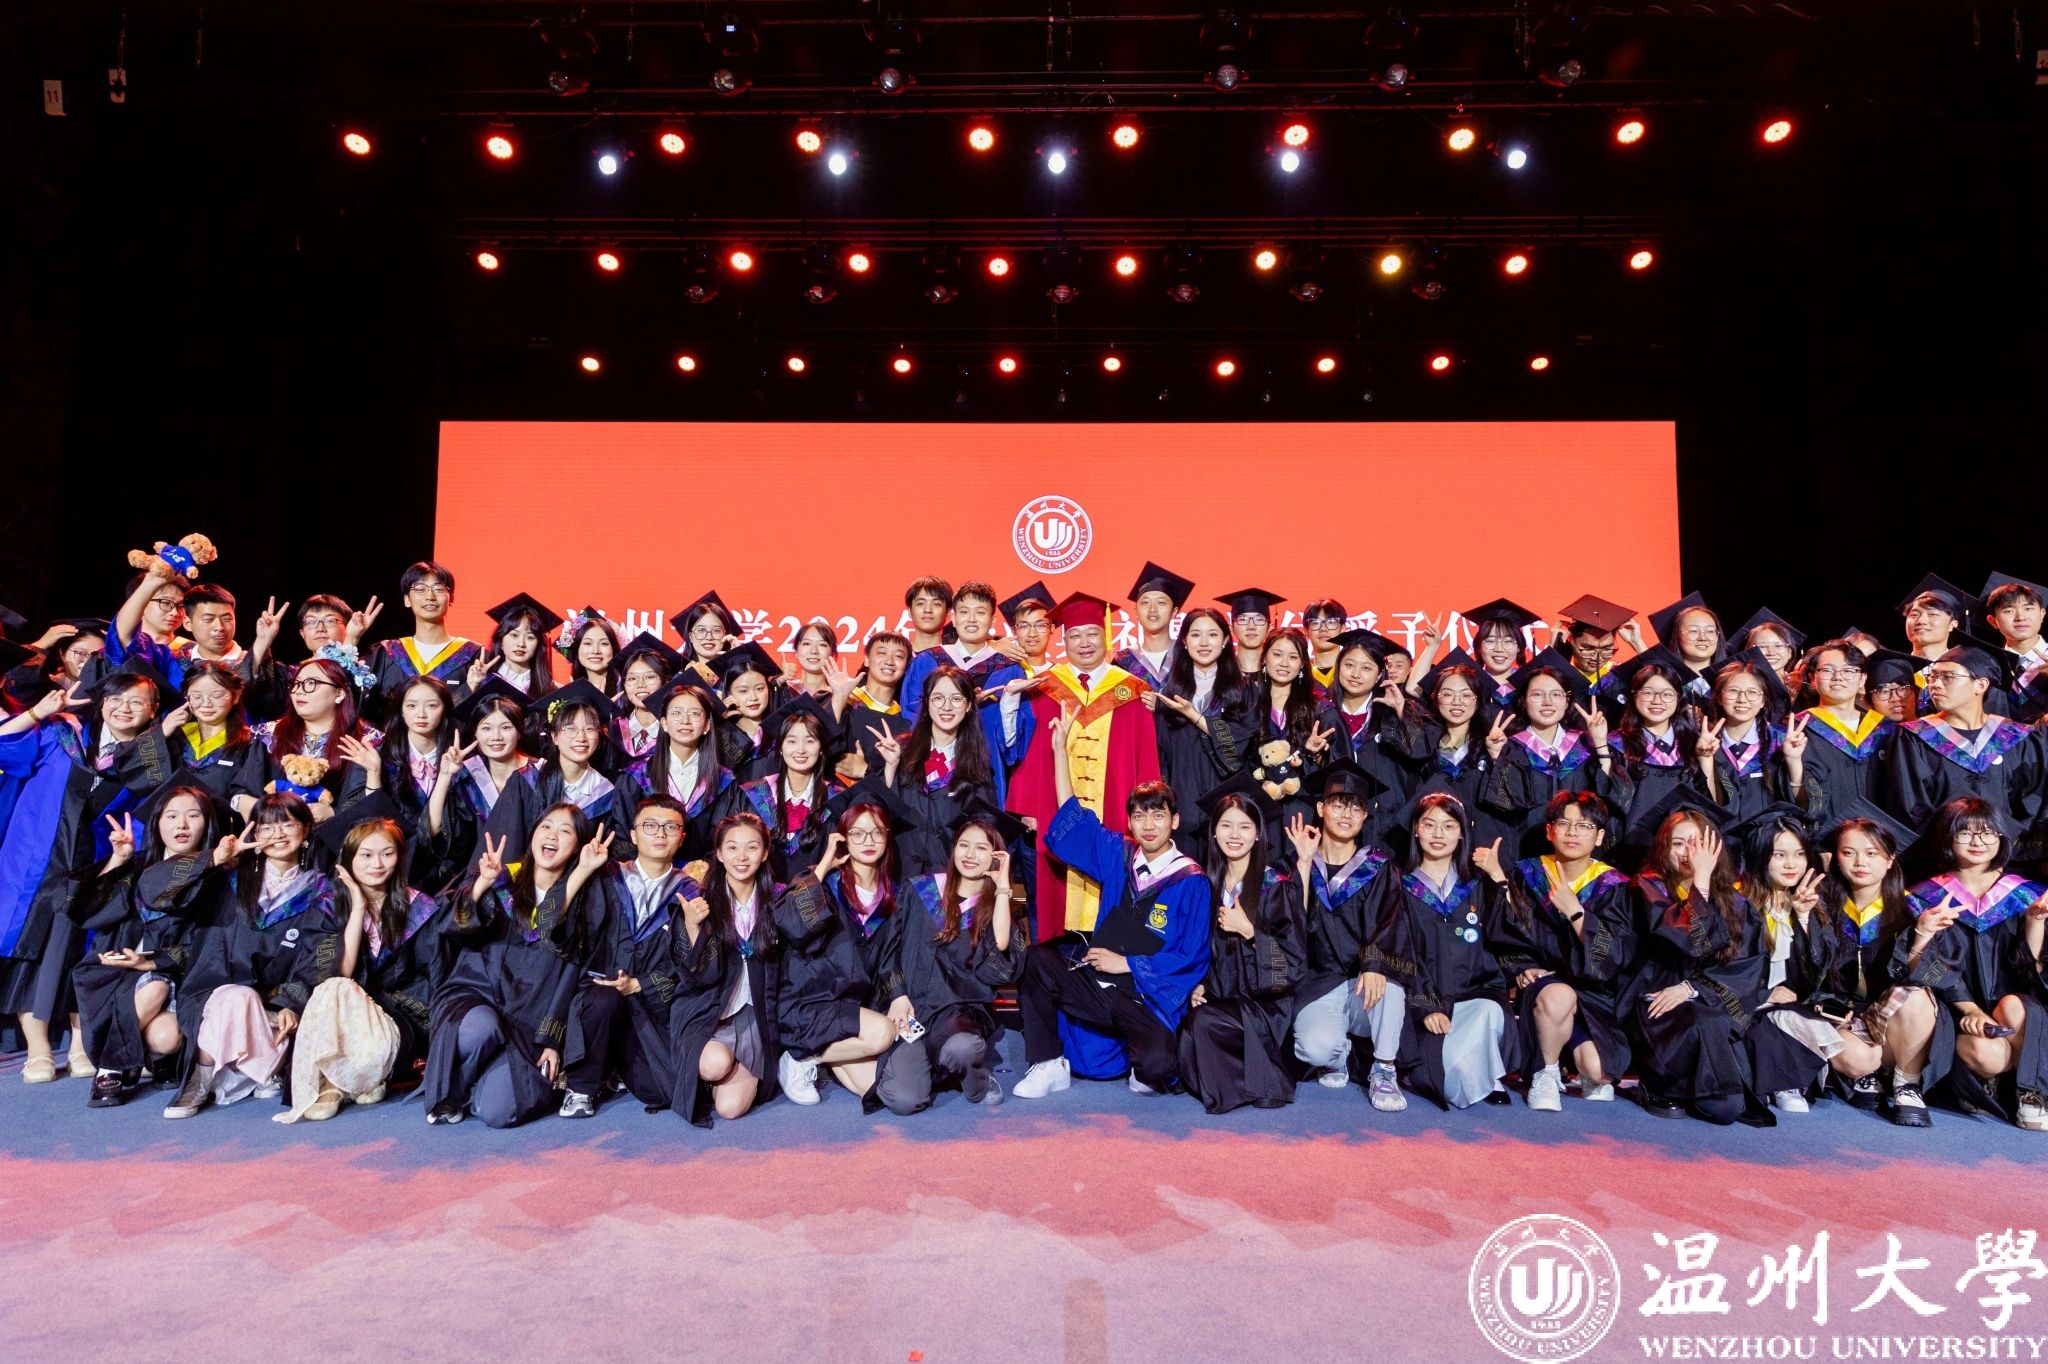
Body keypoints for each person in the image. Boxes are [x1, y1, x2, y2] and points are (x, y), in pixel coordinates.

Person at [1012, 709, 1210, 1098]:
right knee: (1037, 961)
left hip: (1145, 998)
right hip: (1099, 984)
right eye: (1139, 816)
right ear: (1130, 822)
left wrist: (1129, 964)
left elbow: (1192, 956)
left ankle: (1139, 1059)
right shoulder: (1119, 854)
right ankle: (1048, 1062)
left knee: (1158, 1067)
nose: (1148, 825)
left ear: (1175, 820)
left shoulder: (1192, 881)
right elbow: (1076, 821)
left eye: (1158, 815)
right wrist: (1060, 753)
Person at [422, 806, 608, 1127]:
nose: (552, 835)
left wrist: (553, 1039)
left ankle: (477, 1079)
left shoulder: (586, 899)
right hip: (477, 996)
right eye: (546, 826)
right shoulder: (501, 878)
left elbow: (574, 974)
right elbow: (450, 929)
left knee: (499, 1112)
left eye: (565, 831)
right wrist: (482, 884)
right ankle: (452, 1091)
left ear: (578, 845)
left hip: (529, 1022)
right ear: (533, 833)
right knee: (479, 1028)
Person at [160, 793, 330, 1118]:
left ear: (306, 829)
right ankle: (200, 1077)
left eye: (288, 824)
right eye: (267, 827)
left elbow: (320, 957)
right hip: (215, 1001)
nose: (278, 834)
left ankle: (260, 1065)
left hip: (274, 1010)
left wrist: (290, 1004)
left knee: (252, 1005)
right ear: (254, 834)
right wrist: (212, 859)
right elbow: (156, 891)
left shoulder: (321, 892)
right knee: (236, 997)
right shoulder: (229, 879)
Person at [1004, 591, 1162, 940]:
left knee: (1115, 898)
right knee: (1054, 902)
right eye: (1075, 635)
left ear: (1106, 636)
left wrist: (1148, 813)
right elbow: (1029, 750)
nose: (1085, 643)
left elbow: (1145, 755)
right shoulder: (1046, 687)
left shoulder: (1131, 691)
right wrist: (1028, 807)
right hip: (1055, 811)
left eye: (1092, 634)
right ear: (1063, 640)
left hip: (1115, 814)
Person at [278, 818, 449, 1123]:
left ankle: (346, 1082)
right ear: (348, 858)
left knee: (366, 1032)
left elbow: (432, 975)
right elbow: (338, 973)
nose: (377, 864)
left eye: (387, 853)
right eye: (366, 855)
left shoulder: (419, 907)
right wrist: (357, 908)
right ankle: (344, 1084)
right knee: (335, 986)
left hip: (398, 1019)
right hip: (345, 1018)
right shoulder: (329, 907)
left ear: (400, 856)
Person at [71, 787, 233, 1107]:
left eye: (193, 815)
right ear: (157, 824)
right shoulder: (137, 865)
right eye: (171, 816)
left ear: (207, 823)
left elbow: (210, 947)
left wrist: (152, 962)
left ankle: (155, 1058)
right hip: (119, 973)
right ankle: (110, 1068)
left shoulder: (217, 878)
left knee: (166, 1038)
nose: (182, 824)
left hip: (175, 974)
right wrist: (118, 859)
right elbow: (89, 911)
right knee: (154, 988)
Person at [1482, 790, 1637, 1112]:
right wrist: (1521, 968)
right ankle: (1547, 1072)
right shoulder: (1529, 874)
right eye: (1564, 824)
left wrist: (1576, 913)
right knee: (1558, 996)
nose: (1572, 832)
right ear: (1550, 831)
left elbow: (1617, 954)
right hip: (1546, 987)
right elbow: (1506, 933)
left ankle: (1575, 1058)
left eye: (1584, 826)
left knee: (1599, 1072)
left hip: (1592, 989)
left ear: (1599, 837)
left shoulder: (1613, 885)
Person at [1903, 796, 2048, 1129]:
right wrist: (1969, 1009)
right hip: (1957, 1012)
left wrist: (2034, 923)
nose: (1978, 841)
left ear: (2001, 837)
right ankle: (1991, 1082)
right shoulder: (1927, 896)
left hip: (2015, 1012)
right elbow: (1932, 964)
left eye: (1987, 832)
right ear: (1948, 838)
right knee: (1984, 1054)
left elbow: (2032, 973)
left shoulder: (2025, 893)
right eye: (1965, 832)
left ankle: (2030, 1093)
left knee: (2016, 1006)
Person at [1628, 804, 1772, 1125]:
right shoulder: (1647, 888)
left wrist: (1691, 989)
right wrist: (1701, 881)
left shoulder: (1735, 903)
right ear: (1663, 847)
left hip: (1708, 1005)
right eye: (1678, 843)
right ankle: (1658, 1083)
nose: (1688, 854)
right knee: (1701, 1025)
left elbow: (1746, 966)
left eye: (1697, 844)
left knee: (1727, 1105)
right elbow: (1688, 940)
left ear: (1714, 849)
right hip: (1657, 1005)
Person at [559, 795, 700, 1117]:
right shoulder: (606, 875)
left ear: (682, 838)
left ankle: (613, 1066)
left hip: (647, 1002)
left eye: (670, 827)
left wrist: (639, 984)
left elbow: (688, 963)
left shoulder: (690, 892)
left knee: (664, 1091)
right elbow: (557, 925)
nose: (660, 833)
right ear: (634, 835)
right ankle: (580, 1087)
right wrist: (582, 869)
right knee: (604, 999)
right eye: (650, 826)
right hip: (596, 993)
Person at [880, 807, 1030, 1107]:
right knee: (904, 1101)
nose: (970, 854)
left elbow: (1002, 951)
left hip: (959, 1016)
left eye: (982, 848)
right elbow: (889, 949)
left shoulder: (995, 909)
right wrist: (897, 995)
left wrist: (1003, 887)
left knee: (962, 1049)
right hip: (913, 1011)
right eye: (964, 844)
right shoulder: (919, 889)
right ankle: (935, 1068)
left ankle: (977, 1076)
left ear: (997, 856)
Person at [1177, 773, 1306, 1114]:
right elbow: (1207, 952)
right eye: (1226, 826)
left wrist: (1250, 932)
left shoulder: (1275, 885)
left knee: (1204, 1023)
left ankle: (1254, 1083)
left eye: (1245, 827)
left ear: (1258, 833)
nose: (1234, 835)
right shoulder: (1209, 883)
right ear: (1214, 831)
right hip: (1224, 996)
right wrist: (1201, 985)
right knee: (1189, 1026)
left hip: (1265, 1005)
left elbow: (1295, 963)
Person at [1381, 789, 1518, 1110]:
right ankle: (1481, 1071)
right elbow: (1399, 952)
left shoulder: (1477, 883)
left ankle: (1488, 1074)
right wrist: (1427, 1006)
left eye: (1448, 826)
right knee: (1448, 1076)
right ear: (1416, 830)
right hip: (1425, 999)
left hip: (1475, 993)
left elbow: (1512, 930)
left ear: (1462, 833)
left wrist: (1498, 875)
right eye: (1429, 825)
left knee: (1489, 1012)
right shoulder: (1400, 885)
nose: (1438, 834)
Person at [1285, 761, 1402, 1100]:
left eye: (1356, 807)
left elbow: (1391, 923)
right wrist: (1303, 863)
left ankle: (1384, 1069)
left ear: (1365, 815)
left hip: (1363, 983)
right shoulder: (1298, 862)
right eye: (1338, 805)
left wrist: (1375, 963)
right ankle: (1337, 1057)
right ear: (1321, 809)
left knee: (1391, 986)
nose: (1346, 814)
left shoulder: (1379, 868)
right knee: (1313, 1050)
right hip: (1317, 983)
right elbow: (1293, 923)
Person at [665, 812, 786, 1125]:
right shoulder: (699, 901)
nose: (741, 857)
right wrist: (693, 927)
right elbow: (693, 977)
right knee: (713, 1064)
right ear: (718, 853)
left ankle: (757, 1064)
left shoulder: (778, 899)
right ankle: (714, 1072)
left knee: (730, 1109)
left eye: (751, 847)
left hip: (756, 1016)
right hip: (710, 1013)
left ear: (765, 852)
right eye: (732, 847)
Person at [1885, 644, 2048, 837]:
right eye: (1933, 677)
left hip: (2008, 849)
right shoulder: (1914, 737)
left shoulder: (2014, 737)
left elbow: (2034, 801)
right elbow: (1909, 806)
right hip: (1941, 848)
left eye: (1948, 677)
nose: (1935, 684)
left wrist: (2004, 840)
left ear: (1981, 685)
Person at [1482, 651, 1627, 856]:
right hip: (1527, 853)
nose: (1547, 702)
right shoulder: (1511, 747)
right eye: (1537, 695)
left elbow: (1616, 799)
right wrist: (1497, 757)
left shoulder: (1586, 744)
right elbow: (1504, 809)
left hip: (1581, 856)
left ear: (1567, 702)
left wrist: (1601, 744)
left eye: (1556, 694)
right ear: (1523, 701)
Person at [486, 680, 630, 863]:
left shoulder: (607, 794)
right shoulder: (526, 781)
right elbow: (506, 846)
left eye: (590, 729)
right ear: (554, 736)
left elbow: (617, 852)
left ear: (599, 736)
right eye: (570, 728)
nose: (581, 737)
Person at [1146, 606, 1252, 857]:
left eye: (1212, 635)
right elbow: (1162, 757)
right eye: (1195, 635)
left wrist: (1195, 716)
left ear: (1225, 640)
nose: (1204, 643)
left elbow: (1236, 750)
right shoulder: (1168, 694)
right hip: (1182, 810)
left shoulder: (1243, 690)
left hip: (1228, 811)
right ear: (1184, 641)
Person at [715, 695, 840, 880]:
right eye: (791, 741)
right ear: (780, 747)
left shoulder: (835, 801)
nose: (800, 750)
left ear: (821, 748)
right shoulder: (752, 794)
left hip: (815, 894)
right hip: (758, 892)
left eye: (810, 741)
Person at [618, 678, 732, 861]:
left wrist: (700, 870)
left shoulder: (723, 781)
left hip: (703, 874)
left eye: (695, 714)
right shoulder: (637, 776)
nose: (685, 721)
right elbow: (622, 836)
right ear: (664, 723)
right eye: (676, 713)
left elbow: (726, 839)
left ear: (706, 726)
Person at [1788, 638, 1895, 826]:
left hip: (1878, 836)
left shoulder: (1884, 729)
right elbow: (1798, 801)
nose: (1838, 677)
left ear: (1862, 679)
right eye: (1827, 670)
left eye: (1848, 670)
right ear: (1812, 678)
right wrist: (1792, 761)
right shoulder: (1797, 729)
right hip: (1824, 837)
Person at [368, 563, 482, 715]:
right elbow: (354, 699)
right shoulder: (385, 653)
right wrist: (352, 638)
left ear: (451, 599)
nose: (430, 597)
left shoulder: (473, 655)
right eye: (420, 589)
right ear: (407, 600)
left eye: (438, 589)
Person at [1115, 564, 1195, 692]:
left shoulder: (1189, 656)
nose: (1152, 609)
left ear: (1174, 612)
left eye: (1161, 602)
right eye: (1145, 603)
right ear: (1136, 611)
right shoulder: (1122, 660)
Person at [1981, 571, 2048, 721]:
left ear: (2042, 614)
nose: (2020, 617)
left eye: (2028, 608)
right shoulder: (1987, 665)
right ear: (1993, 621)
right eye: (2009, 611)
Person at [473, 591, 562, 704]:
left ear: (539, 645)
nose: (521, 644)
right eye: (514, 635)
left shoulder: (551, 691)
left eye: (530, 637)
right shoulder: (484, 680)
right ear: (501, 640)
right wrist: (473, 685)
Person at [1647, 593, 1725, 701]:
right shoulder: (1664, 682)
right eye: (1693, 631)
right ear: (1676, 635)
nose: (1703, 638)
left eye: (1710, 631)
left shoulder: (1732, 679)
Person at [1218, 588, 1284, 677]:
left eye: (1259, 619)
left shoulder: (1280, 674)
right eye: (1243, 619)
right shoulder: (1220, 673)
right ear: (1231, 629)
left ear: (1270, 628)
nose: (1251, 626)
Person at [995, 582, 1054, 675]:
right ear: (1014, 631)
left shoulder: (1065, 676)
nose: (1032, 634)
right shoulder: (999, 673)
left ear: (1051, 628)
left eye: (1040, 625)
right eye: (1024, 626)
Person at [903, 576, 953, 657]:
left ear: (948, 612)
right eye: (920, 603)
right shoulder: (901, 658)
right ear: (909, 611)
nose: (928, 610)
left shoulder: (954, 659)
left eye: (936, 604)